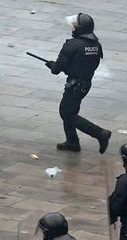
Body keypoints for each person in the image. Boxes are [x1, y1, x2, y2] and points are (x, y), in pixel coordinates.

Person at [45, 13, 112, 153]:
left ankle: (99, 133)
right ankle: (72, 141)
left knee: (67, 113)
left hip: (74, 85)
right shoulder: (96, 45)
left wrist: (52, 65)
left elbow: (57, 69)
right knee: (69, 111)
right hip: (85, 84)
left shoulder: (72, 45)